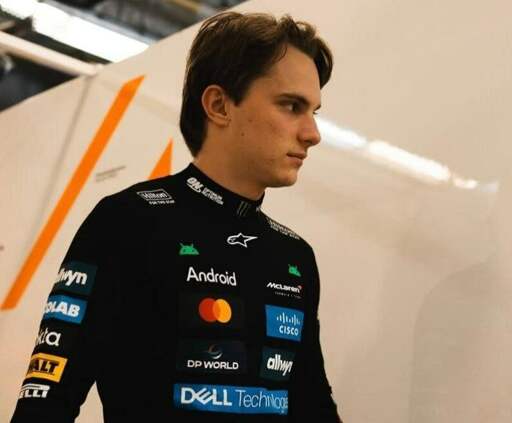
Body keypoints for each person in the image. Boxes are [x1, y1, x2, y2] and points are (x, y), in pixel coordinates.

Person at [11, 11, 341, 422]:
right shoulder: (128, 220)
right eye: (291, 106)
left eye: (314, 112)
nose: (312, 134)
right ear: (219, 105)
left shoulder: (294, 256)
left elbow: (313, 406)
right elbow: (46, 401)